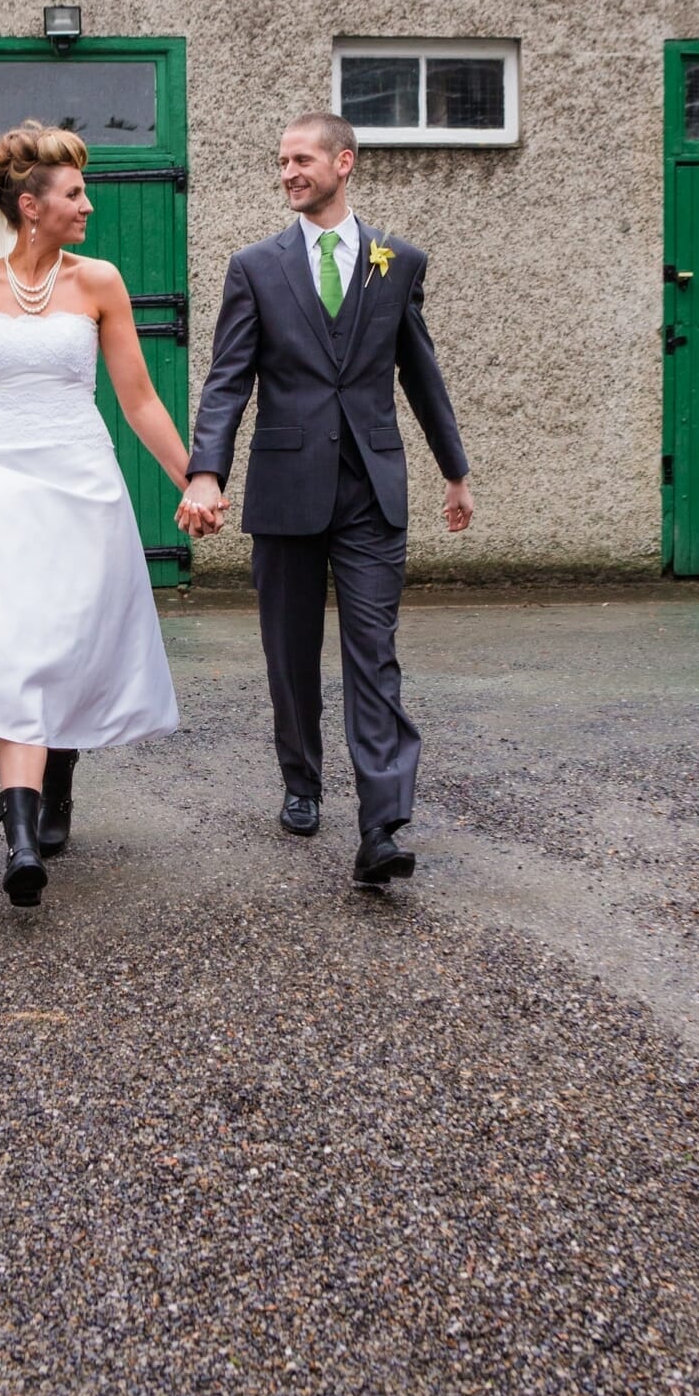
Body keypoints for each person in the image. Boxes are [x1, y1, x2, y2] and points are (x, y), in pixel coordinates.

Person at [0, 121, 191, 908]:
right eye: (75, 192)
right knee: (15, 649)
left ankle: (59, 781)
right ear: (30, 205)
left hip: (81, 484)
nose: (89, 203)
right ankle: (20, 835)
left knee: (65, 645)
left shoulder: (100, 284)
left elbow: (140, 398)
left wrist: (199, 478)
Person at [178, 111, 474, 889]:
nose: (287, 173)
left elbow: (422, 372)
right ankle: (302, 780)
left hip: (371, 489)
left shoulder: (397, 262)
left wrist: (455, 469)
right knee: (290, 651)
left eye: (301, 159)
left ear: (344, 162)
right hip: (285, 487)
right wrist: (206, 471)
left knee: (373, 654)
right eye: (281, 162)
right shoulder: (255, 267)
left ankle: (381, 824)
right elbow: (226, 380)